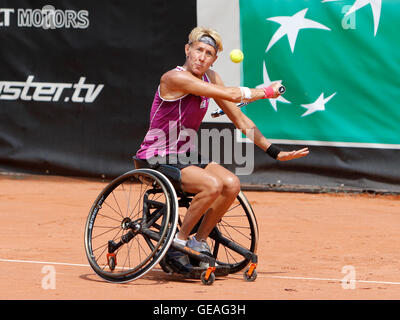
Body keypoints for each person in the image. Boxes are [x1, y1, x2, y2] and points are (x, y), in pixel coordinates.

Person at [135, 26, 309, 274]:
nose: (201, 57)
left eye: (208, 53)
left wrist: (274, 151)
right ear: (188, 49)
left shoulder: (211, 77)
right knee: (211, 185)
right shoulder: (174, 78)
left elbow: (240, 120)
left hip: (184, 154)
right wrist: (265, 92)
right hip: (154, 156)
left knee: (230, 183)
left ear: (214, 59)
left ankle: (199, 240)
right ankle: (178, 242)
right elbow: (229, 94)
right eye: (198, 50)